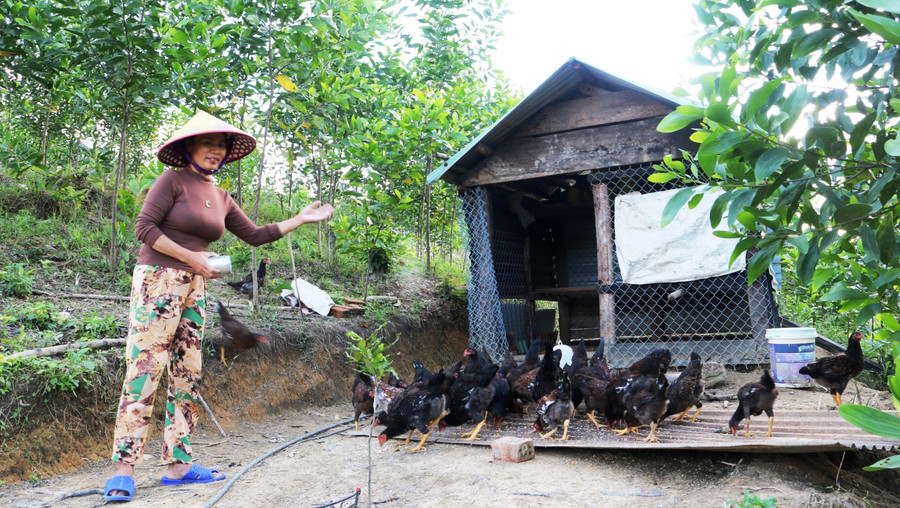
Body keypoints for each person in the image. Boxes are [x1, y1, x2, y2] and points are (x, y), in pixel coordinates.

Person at [103, 110, 334, 502]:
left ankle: (178, 465)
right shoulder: (172, 180)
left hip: (196, 286)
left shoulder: (221, 196)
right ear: (188, 146)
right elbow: (145, 227)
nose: (217, 150)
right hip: (158, 280)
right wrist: (192, 259)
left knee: (187, 371)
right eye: (209, 142)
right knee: (145, 368)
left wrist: (299, 219)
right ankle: (124, 468)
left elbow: (256, 236)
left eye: (222, 145)